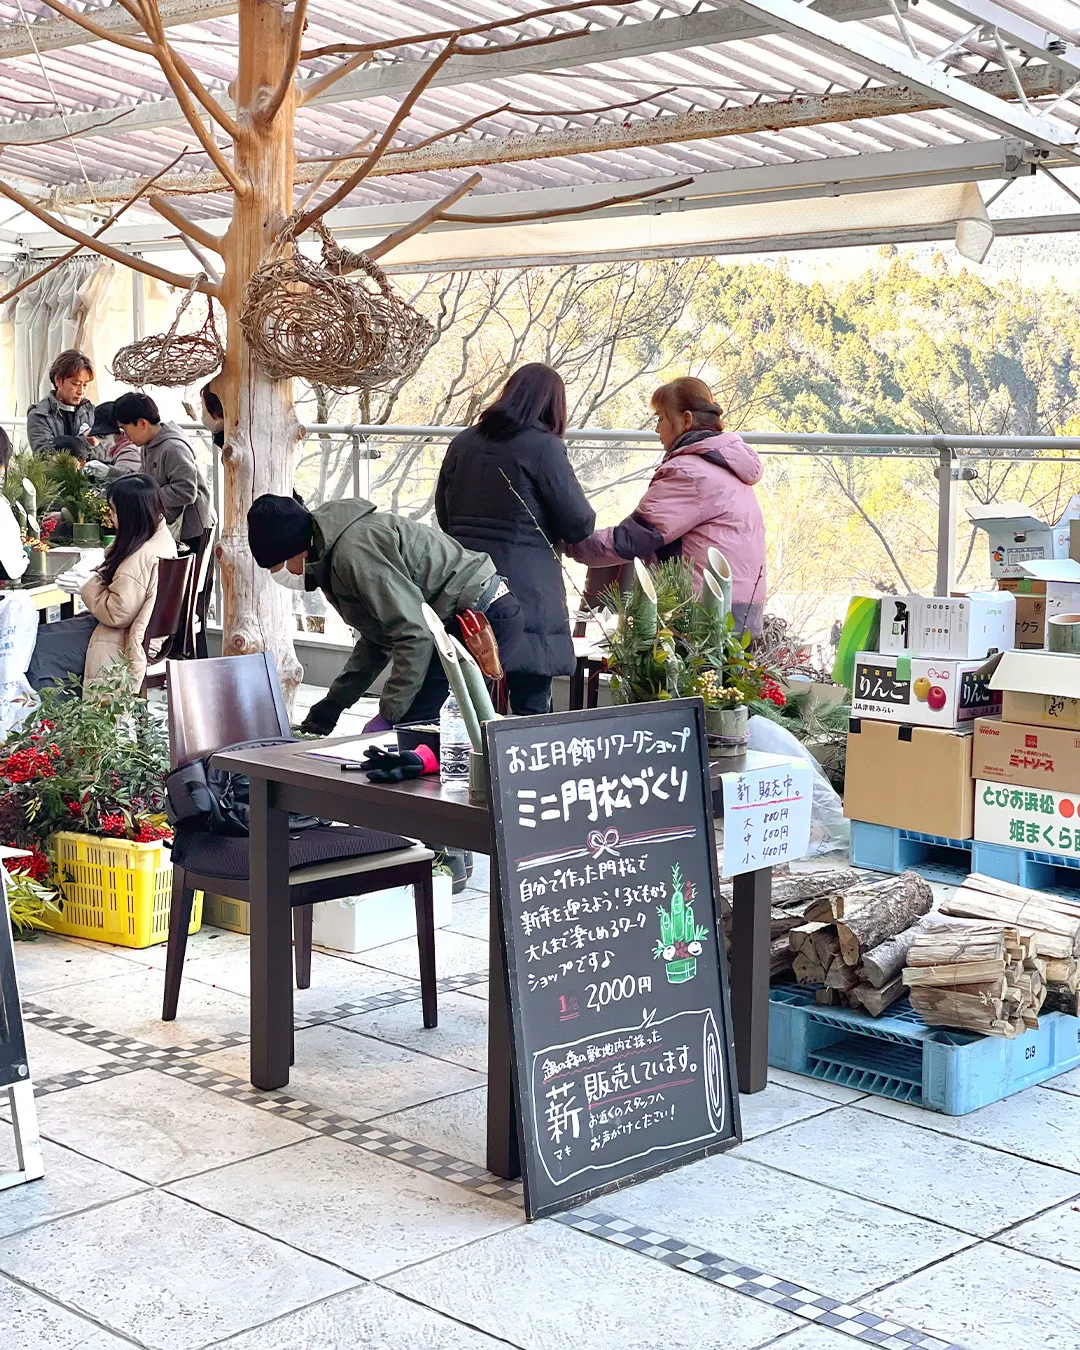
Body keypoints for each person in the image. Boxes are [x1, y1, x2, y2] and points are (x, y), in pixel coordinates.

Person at [246, 493, 524, 735]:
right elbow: (376, 640)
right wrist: (334, 703)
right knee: (420, 727)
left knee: (418, 730)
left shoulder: (353, 554)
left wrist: (389, 715)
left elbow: (414, 634)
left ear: (293, 550)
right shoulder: (331, 554)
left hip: (479, 620)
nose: (277, 576)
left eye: (275, 567)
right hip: (461, 618)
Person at [436, 363, 595, 715]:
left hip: (465, 586)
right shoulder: (544, 448)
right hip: (528, 594)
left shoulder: (463, 442)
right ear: (553, 405)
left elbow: (443, 514)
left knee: (465, 703)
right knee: (531, 708)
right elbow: (579, 522)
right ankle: (524, 771)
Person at [566, 376, 767, 635]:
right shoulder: (728, 466)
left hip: (702, 614)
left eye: (660, 418)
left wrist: (569, 542)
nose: (657, 429)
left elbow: (634, 538)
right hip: (742, 611)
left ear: (685, 419)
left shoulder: (691, 472)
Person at [25, 476, 177, 696]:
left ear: (131, 514)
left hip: (122, 639)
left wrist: (87, 586)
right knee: (36, 637)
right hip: (127, 633)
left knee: (32, 651)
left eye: (114, 512)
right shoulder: (157, 538)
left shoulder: (142, 555)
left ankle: (60, 723)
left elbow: (117, 613)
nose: (111, 517)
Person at [112, 391, 215, 554]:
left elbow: (186, 491)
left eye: (125, 429)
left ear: (142, 423)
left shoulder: (173, 447)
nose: (125, 436)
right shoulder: (147, 443)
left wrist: (147, 496)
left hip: (192, 530)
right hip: (171, 527)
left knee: (187, 579)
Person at [26, 350, 96, 458]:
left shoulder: (91, 411)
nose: (81, 391)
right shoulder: (39, 414)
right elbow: (43, 455)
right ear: (58, 380)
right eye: (76, 384)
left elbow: (105, 451)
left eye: (85, 385)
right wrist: (85, 441)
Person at [84, 401, 142, 480]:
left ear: (122, 432)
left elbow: (128, 481)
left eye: (103, 436)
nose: (101, 441)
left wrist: (109, 472)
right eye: (98, 436)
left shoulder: (128, 450)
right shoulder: (120, 449)